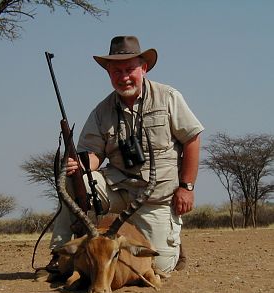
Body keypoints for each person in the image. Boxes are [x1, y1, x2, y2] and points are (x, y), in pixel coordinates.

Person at [48, 36, 204, 273]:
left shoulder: (168, 97)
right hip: (119, 188)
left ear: (144, 68)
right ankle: (59, 255)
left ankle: (173, 241)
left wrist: (187, 187)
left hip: (156, 197)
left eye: (130, 69)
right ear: (108, 73)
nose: (124, 77)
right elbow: (94, 155)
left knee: (159, 267)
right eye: (116, 71)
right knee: (73, 180)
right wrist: (78, 165)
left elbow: (192, 140)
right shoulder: (102, 111)